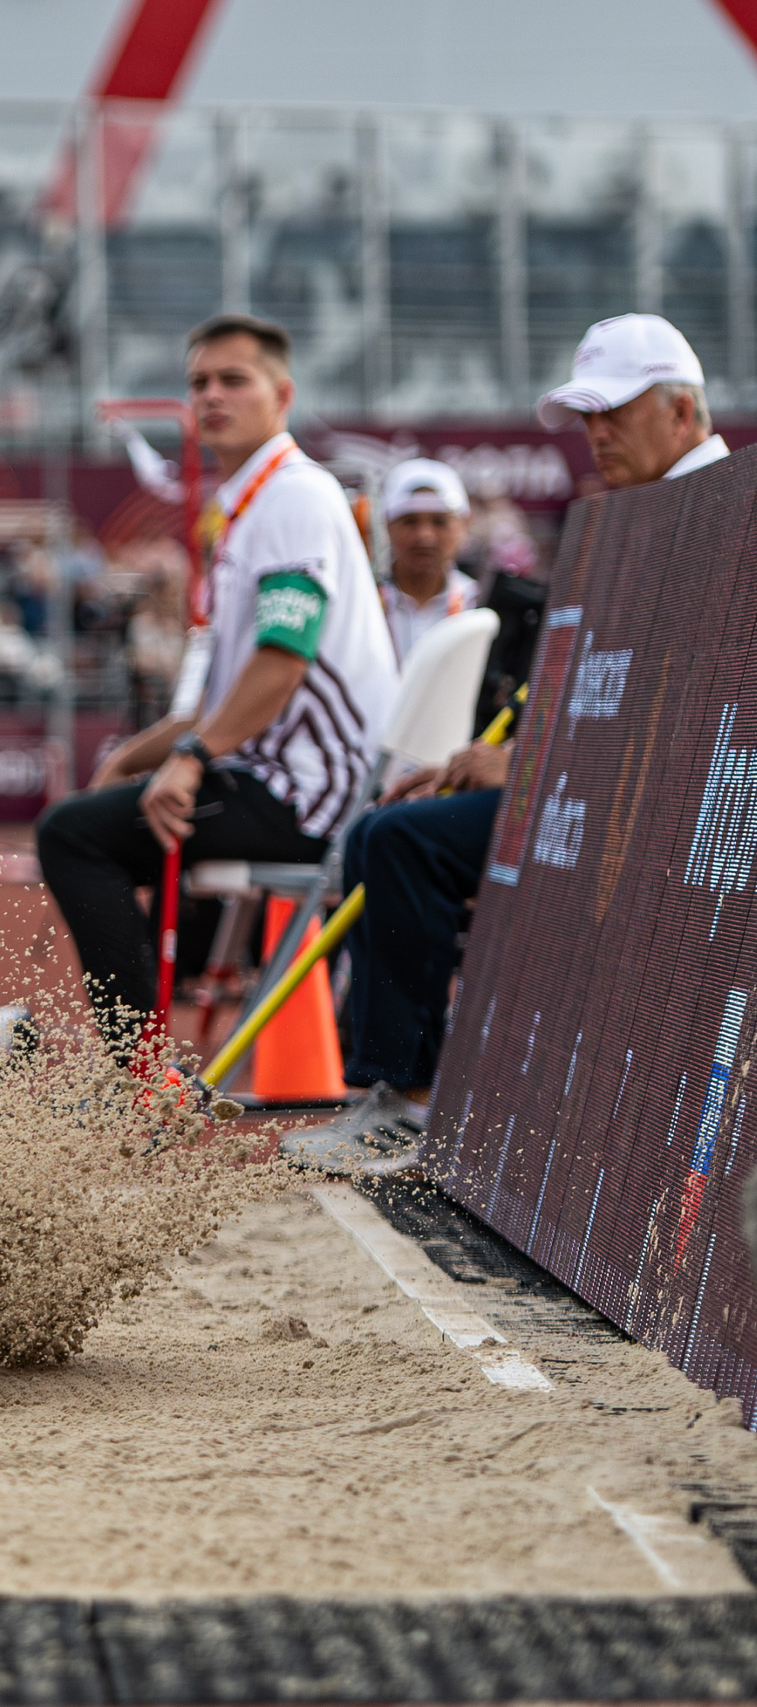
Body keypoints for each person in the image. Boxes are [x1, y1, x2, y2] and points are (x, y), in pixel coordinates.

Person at [284, 312, 729, 1173]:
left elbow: (689, 712)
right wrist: (518, 756)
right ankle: (397, 1089)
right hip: (605, 789)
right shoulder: (652, 514)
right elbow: (621, 689)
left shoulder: (716, 516)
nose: (596, 435)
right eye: (588, 417)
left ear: (681, 413)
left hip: (668, 815)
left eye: (617, 413)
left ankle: (410, 1097)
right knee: (383, 829)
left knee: (403, 841)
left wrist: (525, 762)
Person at [36, 314, 399, 1057]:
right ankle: (145, 1057)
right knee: (103, 821)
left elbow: (282, 660)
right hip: (272, 772)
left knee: (73, 838)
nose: (211, 396)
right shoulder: (248, 505)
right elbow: (224, 698)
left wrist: (193, 756)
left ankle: (138, 1076)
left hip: (310, 790)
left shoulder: (293, 497)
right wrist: (137, 756)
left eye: (234, 379)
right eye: (199, 382)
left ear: (282, 395)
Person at [376, 459, 479, 666]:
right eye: (410, 521)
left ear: (464, 524)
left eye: (439, 521)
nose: (424, 536)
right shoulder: (366, 603)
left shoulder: (477, 604)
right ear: (387, 525)